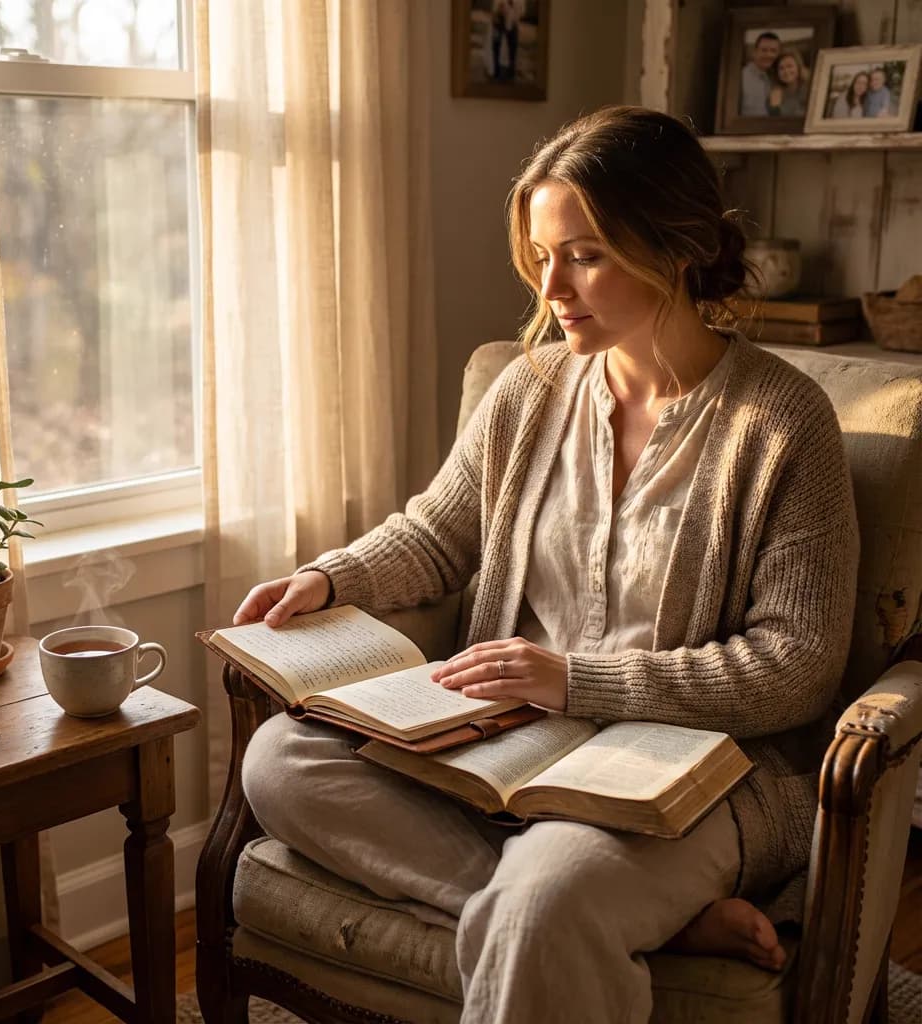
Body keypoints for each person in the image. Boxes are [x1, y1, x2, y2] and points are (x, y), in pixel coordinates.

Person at [238, 106, 859, 1023]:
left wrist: (575, 681)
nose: (553, 285)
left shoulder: (782, 423)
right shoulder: (527, 390)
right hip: (505, 744)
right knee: (279, 760)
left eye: (586, 254)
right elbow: (439, 530)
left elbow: (798, 666)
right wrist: (333, 579)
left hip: (689, 772)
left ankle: (574, 909)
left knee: (549, 897)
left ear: (675, 247)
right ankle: (653, 922)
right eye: (542, 255)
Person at [740, 31, 780, 116]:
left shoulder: (778, 76)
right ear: (754, 52)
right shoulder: (741, 78)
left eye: (773, 51)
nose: (768, 54)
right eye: (764, 50)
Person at [767, 48, 809, 117]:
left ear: (798, 67)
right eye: (781, 68)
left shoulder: (809, 89)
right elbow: (774, 122)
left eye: (790, 66)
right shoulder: (775, 93)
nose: (786, 71)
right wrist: (775, 107)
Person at [490, 0, 522, 81]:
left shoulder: (519, 2)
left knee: (513, 49)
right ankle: (496, 71)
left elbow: (520, 13)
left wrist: (513, 15)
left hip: (512, 25)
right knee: (496, 47)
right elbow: (494, 11)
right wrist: (499, 13)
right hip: (498, 24)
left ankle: (511, 73)